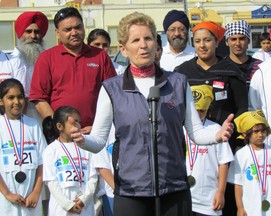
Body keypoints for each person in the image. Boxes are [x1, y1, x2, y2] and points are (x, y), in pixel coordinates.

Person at [69, 12, 234, 216]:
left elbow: (196, 133)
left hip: (174, 187)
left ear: (156, 45)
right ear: (124, 49)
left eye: (147, 38)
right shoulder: (112, 88)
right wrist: (82, 140)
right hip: (131, 191)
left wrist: (217, 136)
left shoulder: (178, 83)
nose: (143, 45)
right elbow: (99, 140)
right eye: (135, 40)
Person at [29, 7, 116, 134]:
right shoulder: (46, 58)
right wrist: (59, 126)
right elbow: (39, 99)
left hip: (95, 133)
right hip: (62, 136)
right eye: (67, 29)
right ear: (57, 33)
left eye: (78, 27)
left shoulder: (100, 56)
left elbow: (113, 94)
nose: (74, 32)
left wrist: (99, 126)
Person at [175, 21, 247, 150]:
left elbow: (241, 109)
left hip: (225, 143)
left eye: (207, 40)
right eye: (197, 41)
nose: (202, 45)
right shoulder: (182, 72)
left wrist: (233, 132)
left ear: (217, 42)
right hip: (191, 144)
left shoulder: (231, 72)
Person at [227, 110, 271, 216]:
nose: (260, 135)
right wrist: (240, 207)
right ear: (246, 133)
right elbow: (238, 184)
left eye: (263, 131)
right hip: (250, 209)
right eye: (256, 131)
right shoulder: (241, 155)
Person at [0, 78, 47, 215]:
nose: (16, 102)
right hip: (5, 199)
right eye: (10, 97)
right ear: (1, 101)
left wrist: (36, 192)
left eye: (20, 97)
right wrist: (7, 193)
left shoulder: (33, 125)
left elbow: (42, 163)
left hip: (30, 198)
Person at [185, 85, 234, 216]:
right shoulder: (179, 127)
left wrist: (221, 192)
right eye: (194, 110)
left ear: (208, 109)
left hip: (207, 200)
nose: (198, 115)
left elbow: (223, 163)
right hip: (183, 198)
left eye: (202, 110)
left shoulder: (216, 129)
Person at [42, 106, 98, 216]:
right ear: (59, 126)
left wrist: (84, 198)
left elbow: (93, 177)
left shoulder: (86, 145)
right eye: (74, 122)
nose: (77, 125)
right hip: (61, 209)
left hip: (84, 208)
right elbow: (51, 182)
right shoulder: (51, 150)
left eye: (79, 122)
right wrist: (67, 204)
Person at [11, 11, 48, 122]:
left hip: (42, 117)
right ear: (21, 34)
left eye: (37, 32)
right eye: (28, 31)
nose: (33, 36)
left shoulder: (47, 59)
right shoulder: (10, 61)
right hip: (14, 118)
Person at [224, 20, 262, 89]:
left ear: (248, 41)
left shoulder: (260, 67)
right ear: (227, 42)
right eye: (233, 39)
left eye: (242, 39)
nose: (238, 43)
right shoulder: (220, 67)